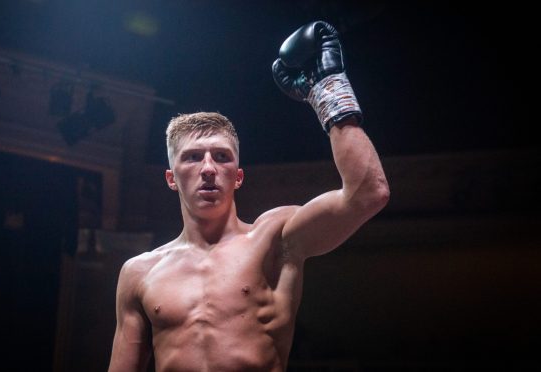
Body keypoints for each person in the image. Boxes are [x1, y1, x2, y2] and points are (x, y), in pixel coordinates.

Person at [108, 21, 389, 371]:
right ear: (171, 178)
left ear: (238, 176)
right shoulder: (139, 273)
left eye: (221, 156)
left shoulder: (276, 239)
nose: (208, 167)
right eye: (193, 157)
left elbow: (368, 194)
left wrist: (328, 89)